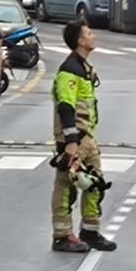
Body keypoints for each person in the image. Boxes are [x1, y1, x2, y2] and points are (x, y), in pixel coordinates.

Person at [50, 20, 116, 254]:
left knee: (95, 183)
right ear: (80, 40)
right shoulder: (69, 70)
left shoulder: (83, 68)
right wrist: (70, 143)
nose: (93, 36)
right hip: (74, 139)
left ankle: (90, 231)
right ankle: (63, 236)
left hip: (87, 137)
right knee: (66, 187)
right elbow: (66, 107)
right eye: (89, 33)